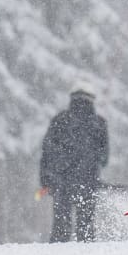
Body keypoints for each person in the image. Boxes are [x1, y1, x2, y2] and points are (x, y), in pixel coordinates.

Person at [40, 82, 109, 243]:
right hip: (88, 182)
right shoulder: (98, 123)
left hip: (61, 182)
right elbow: (104, 158)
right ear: (92, 100)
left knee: (61, 228)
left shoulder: (59, 120)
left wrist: (46, 180)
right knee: (85, 229)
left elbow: (47, 154)